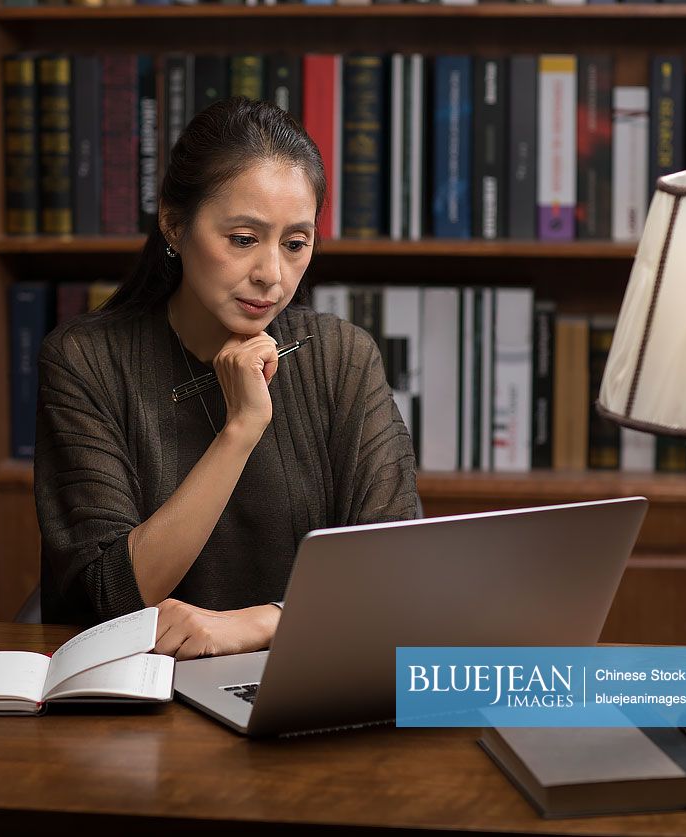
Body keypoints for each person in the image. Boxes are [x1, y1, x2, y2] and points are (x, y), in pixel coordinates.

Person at [34, 97, 419, 660]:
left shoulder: (342, 357)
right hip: (134, 691)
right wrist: (240, 429)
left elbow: (397, 576)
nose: (271, 275)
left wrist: (262, 624)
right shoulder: (84, 361)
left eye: (295, 244)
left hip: (301, 675)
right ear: (173, 222)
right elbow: (110, 598)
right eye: (243, 239)